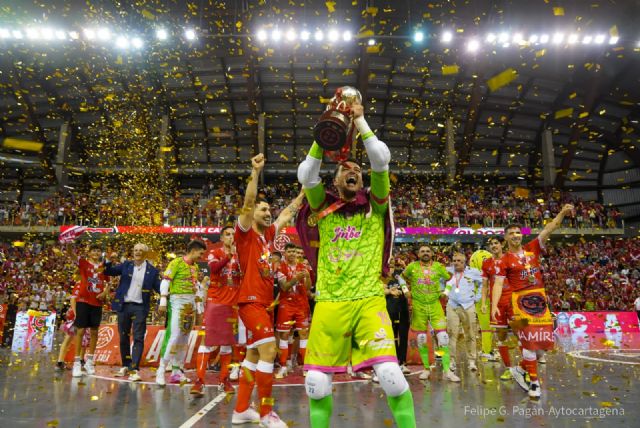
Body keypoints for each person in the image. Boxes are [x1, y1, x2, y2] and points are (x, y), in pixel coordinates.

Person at [297, 101, 416, 428]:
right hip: (329, 303)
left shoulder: (374, 206)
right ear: (333, 181)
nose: (352, 170)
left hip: (368, 300)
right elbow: (306, 174)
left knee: (392, 376)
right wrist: (324, 134)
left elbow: (381, 160)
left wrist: (361, 121)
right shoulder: (321, 205)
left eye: (355, 169)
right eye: (344, 168)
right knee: (317, 386)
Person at [231, 153, 305, 428]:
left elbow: (287, 213)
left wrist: (303, 191)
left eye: (268, 211)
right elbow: (248, 202)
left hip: (262, 304)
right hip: (250, 302)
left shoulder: (269, 236)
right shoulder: (246, 234)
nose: (267, 213)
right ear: (252, 214)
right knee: (269, 351)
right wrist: (255, 172)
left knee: (253, 355)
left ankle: (240, 411)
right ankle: (265, 414)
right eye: (263, 210)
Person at [491, 204, 574, 398]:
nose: (515, 236)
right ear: (505, 238)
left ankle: (521, 368)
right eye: (511, 233)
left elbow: (549, 228)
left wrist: (561, 212)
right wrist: (494, 305)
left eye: (517, 232)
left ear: (521, 235)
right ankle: (534, 383)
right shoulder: (504, 260)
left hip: (540, 302)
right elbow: (497, 284)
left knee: (542, 348)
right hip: (520, 304)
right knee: (529, 343)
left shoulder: (532, 248)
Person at [191, 226, 242, 396]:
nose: (231, 237)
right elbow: (214, 269)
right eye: (227, 234)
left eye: (233, 235)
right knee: (207, 342)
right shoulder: (215, 253)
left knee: (227, 345)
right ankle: (199, 381)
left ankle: (224, 380)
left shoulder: (241, 256)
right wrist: (229, 255)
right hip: (215, 302)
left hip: (232, 305)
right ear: (221, 237)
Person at [104, 243, 161, 382]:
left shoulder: (152, 271)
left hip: (140, 307)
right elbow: (108, 271)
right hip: (124, 306)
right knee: (123, 337)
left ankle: (134, 369)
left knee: (138, 337)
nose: (138, 252)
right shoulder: (126, 265)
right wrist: (107, 260)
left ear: (145, 253)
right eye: (135, 250)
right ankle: (125, 365)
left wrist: (168, 292)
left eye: (141, 250)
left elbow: (159, 288)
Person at [402, 246, 458, 382]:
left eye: (428, 251)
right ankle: (426, 369)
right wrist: (405, 290)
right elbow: (401, 278)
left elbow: (452, 279)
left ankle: (447, 370)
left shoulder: (439, 266)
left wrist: (446, 292)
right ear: (418, 254)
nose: (425, 253)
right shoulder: (412, 267)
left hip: (435, 305)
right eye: (422, 251)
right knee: (421, 339)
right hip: (418, 306)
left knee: (443, 338)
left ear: (432, 253)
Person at [156, 240, 206, 386]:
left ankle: (177, 371)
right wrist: (163, 301)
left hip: (190, 305)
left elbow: (195, 288)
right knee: (174, 336)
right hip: (177, 302)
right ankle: (161, 370)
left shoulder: (195, 267)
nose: (201, 257)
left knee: (184, 339)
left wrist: (199, 308)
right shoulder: (176, 262)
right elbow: (165, 281)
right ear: (194, 250)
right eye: (201, 253)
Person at [71, 243, 110, 378]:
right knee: (80, 330)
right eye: (93, 250)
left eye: (98, 250)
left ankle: (89, 362)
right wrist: (69, 243)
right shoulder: (83, 263)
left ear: (100, 253)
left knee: (94, 331)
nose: (95, 252)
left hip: (97, 303)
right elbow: (71, 254)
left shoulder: (103, 267)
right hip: (83, 300)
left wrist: (105, 292)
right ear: (89, 253)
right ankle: (76, 363)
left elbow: (108, 283)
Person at [275, 243, 311, 378]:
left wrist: (307, 277)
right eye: (289, 251)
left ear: (297, 254)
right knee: (284, 335)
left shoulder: (304, 267)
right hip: (286, 305)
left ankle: (306, 367)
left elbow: (308, 288)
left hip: (301, 304)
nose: (292, 254)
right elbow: (284, 287)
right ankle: (284, 366)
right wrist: (296, 278)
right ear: (284, 253)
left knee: (303, 334)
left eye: (294, 252)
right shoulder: (280, 267)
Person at [443, 252, 483, 373]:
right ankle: (452, 361)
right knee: (451, 334)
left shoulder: (474, 271)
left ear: (465, 262)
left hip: (468, 305)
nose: (457, 263)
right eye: (454, 260)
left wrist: (477, 297)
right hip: (452, 305)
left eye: (459, 261)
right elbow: (440, 279)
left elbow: (483, 283)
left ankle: (472, 360)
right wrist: (442, 291)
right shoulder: (447, 271)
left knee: (470, 334)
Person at [481, 236, 513, 381]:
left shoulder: (511, 258)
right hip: (497, 304)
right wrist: (483, 303)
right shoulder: (486, 263)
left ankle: (527, 366)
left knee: (521, 334)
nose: (493, 246)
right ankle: (509, 369)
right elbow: (485, 286)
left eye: (496, 243)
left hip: (513, 301)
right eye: (491, 244)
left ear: (502, 244)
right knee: (501, 337)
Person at [383, 258, 410, 374]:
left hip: (402, 309)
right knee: (389, 336)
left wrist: (405, 291)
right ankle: (391, 361)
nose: (391, 261)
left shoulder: (400, 274)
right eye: (388, 260)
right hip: (387, 310)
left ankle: (402, 362)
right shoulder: (380, 275)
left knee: (403, 336)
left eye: (393, 259)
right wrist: (389, 291)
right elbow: (379, 290)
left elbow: (406, 287)